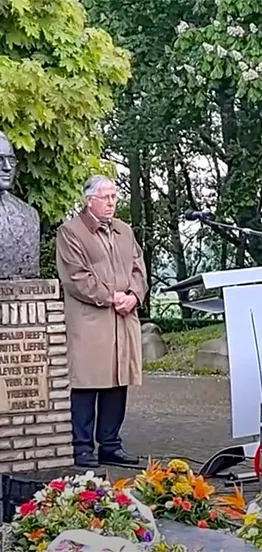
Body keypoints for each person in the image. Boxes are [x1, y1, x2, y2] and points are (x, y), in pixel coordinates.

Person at [55, 175, 147, 467]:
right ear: (89, 200)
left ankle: (110, 444)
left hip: (123, 320)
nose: (112, 202)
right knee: (87, 382)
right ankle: (82, 447)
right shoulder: (71, 232)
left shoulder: (124, 231)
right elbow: (76, 278)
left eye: (114, 197)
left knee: (118, 381)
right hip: (90, 321)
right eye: (106, 197)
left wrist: (133, 295)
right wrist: (113, 297)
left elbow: (138, 267)